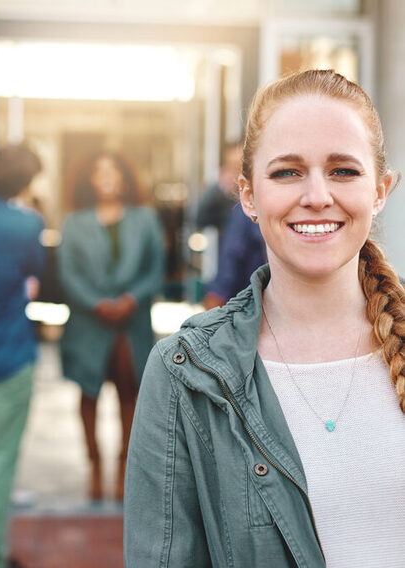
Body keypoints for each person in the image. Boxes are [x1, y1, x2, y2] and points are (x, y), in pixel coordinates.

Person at [124, 70, 405, 567]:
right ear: (249, 195)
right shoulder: (183, 374)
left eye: (343, 170)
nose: (317, 194)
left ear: (381, 190)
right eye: (287, 172)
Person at [58, 150, 164, 501]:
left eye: (113, 172)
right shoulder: (74, 222)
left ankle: (123, 469)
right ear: (91, 179)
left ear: (124, 178)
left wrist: (131, 299)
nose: (107, 178)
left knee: (130, 393)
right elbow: (67, 273)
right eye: (100, 172)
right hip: (89, 322)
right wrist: (96, 303)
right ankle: (94, 466)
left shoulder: (145, 219)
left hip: (131, 321)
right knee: (88, 393)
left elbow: (155, 268)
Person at [0, 144, 45, 568]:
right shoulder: (26, 225)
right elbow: (33, 275)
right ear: (24, 182)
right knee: (0, 462)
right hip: (8, 354)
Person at [203, 203, 267, 309]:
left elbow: (232, 254)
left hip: (249, 302)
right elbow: (232, 255)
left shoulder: (246, 212)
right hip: (248, 301)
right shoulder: (246, 213)